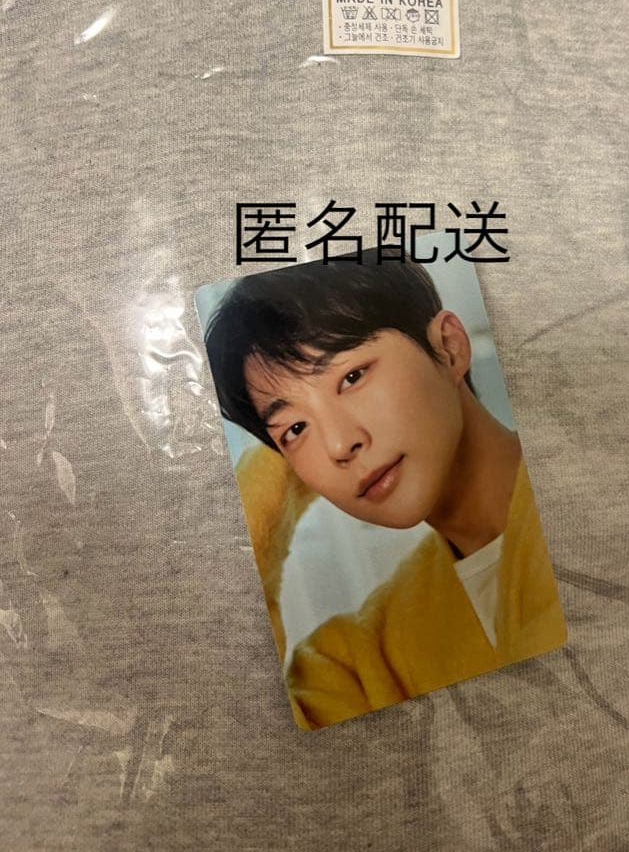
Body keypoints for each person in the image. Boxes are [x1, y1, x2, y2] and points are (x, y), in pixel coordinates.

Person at [204, 250, 567, 730]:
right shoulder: (359, 660)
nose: (339, 445)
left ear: (450, 348)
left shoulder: (602, 493)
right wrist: (266, 489)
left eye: (352, 377)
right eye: (294, 429)